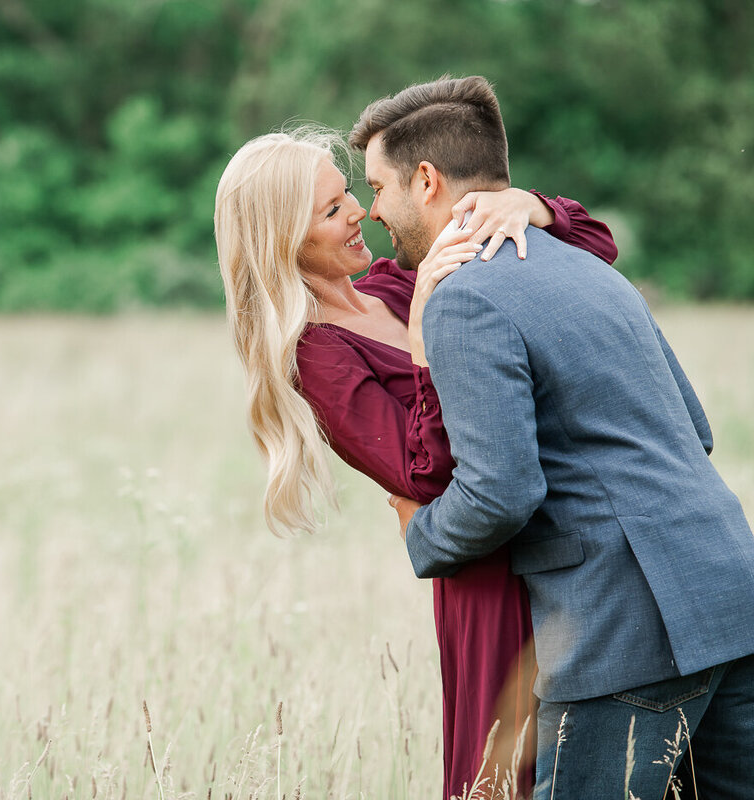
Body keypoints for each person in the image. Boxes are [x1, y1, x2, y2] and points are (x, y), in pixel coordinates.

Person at [357, 76, 754, 798]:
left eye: (379, 187)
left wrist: (423, 531)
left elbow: (502, 491)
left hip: (622, 631)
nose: (373, 208)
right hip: (731, 597)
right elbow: (694, 430)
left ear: (427, 180)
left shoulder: (463, 299)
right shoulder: (592, 270)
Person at [213, 126, 618, 798]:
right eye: (333, 209)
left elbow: (596, 249)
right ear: (284, 240)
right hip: (488, 573)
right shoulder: (317, 355)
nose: (362, 213)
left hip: (572, 552)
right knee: (510, 772)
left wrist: (529, 206)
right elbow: (424, 473)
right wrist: (426, 329)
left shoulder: (397, 281)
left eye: (351, 193)